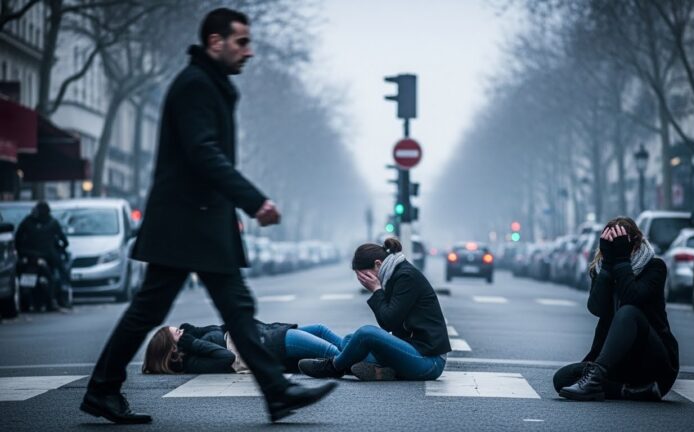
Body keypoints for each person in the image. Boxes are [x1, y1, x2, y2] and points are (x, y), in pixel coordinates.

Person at [80, 8, 336, 425]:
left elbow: (206, 156)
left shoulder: (207, 84)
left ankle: (276, 391)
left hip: (198, 222)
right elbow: (203, 154)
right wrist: (254, 201)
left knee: (233, 307)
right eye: (242, 42)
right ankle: (102, 389)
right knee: (155, 310)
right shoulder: (196, 85)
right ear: (216, 42)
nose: (249, 52)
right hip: (187, 223)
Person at [554, 217, 679, 401]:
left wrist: (622, 259)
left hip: (654, 365)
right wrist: (607, 265)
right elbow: (596, 308)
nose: (616, 249)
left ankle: (596, 378)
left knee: (628, 312)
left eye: (620, 244)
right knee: (562, 379)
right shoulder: (603, 269)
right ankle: (628, 391)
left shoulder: (655, 267)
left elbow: (632, 297)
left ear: (634, 243)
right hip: (619, 364)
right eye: (611, 245)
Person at [298, 238, 452, 381]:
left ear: (378, 264)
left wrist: (377, 290)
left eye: (364, 277)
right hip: (412, 350)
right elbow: (389, 324)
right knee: (350, 340)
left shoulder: (406, 277)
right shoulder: (392, 275)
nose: (363, 282)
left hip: (429, 361)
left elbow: (389, 322)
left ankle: (334, 367)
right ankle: (381, 372)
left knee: (366, 333)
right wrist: (378, 290)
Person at [143, 322, 344, 374]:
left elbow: (219, 331)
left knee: (320, 330)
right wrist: (193, 342)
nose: (184, 333)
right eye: (179, 333)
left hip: (262, 334)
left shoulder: (193, 344)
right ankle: (358, 362)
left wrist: (194, 332)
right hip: (269, 345)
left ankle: (361, 354)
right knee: (331, 353)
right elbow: (226, 358)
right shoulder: (192, 362)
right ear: (173, 348)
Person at [15, 201, 69, 312]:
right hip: (46, 257)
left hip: (29, 256)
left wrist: (22, 252)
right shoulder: (53, 223)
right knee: (60, 274)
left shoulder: (27, 221)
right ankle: (58, 300)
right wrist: (59, 250)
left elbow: (17, 239)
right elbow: (64, 241)